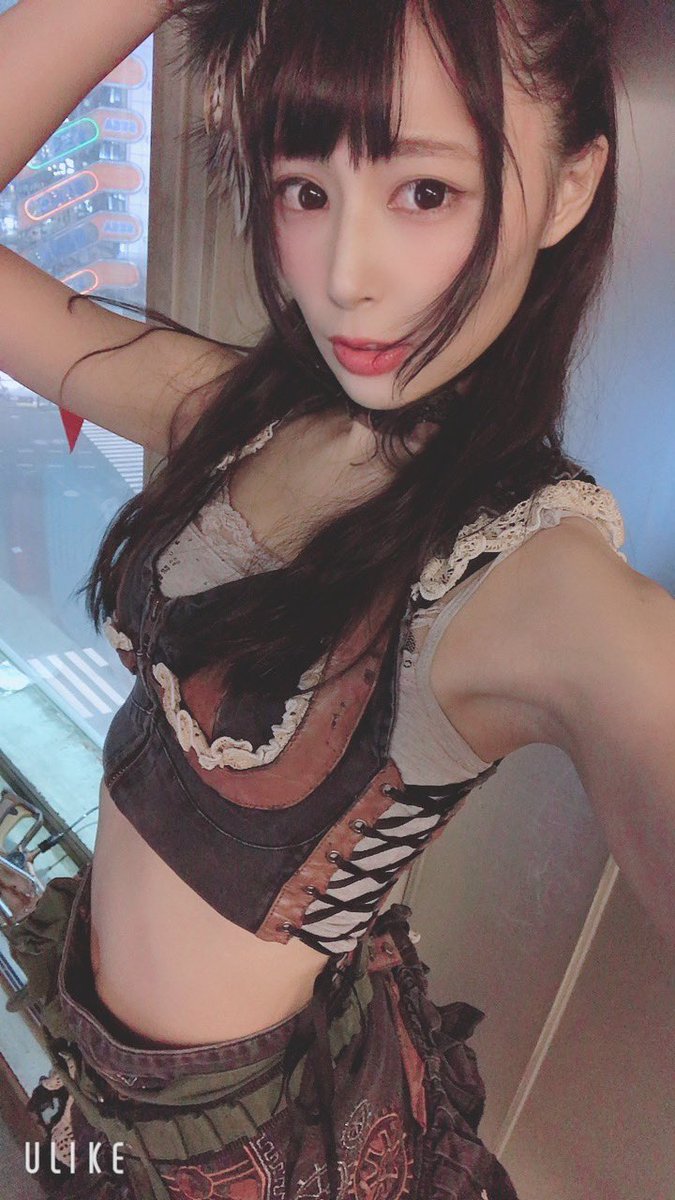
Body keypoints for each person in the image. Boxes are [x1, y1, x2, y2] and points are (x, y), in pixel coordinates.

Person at [2, 0, 674, 1197]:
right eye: (305, 189)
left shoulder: (529, 575)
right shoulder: (249, 414)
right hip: (96, 1073)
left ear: (570, 189)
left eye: (426, 191)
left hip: (253, 1159)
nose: (345, 278)